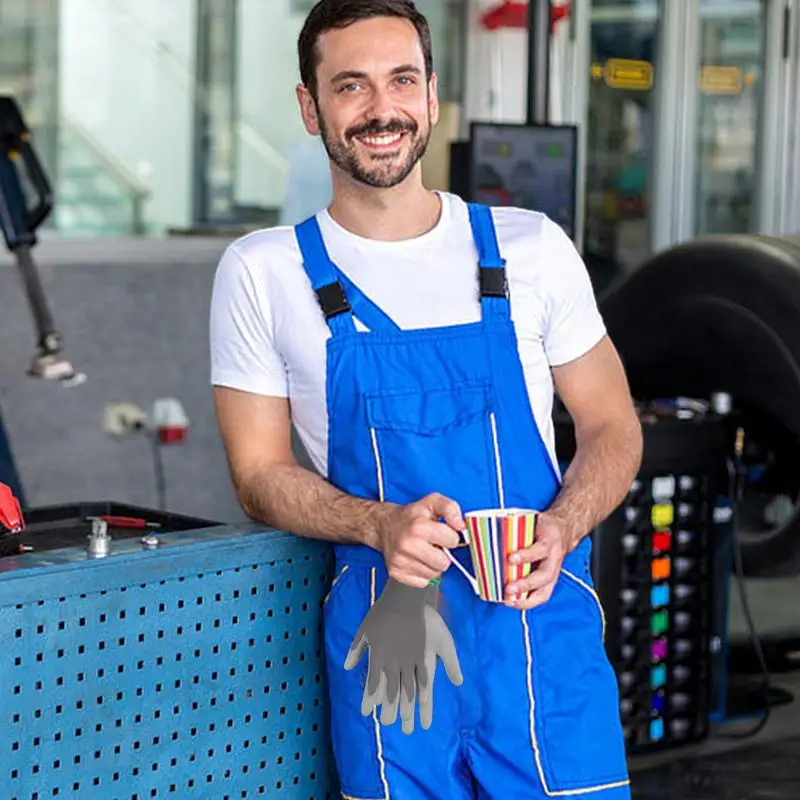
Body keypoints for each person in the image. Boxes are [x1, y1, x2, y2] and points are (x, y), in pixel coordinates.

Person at [209, 1, 643, 798]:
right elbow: (258, 474)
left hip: (541, 638)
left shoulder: (532, 249)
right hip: (391, 642)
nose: (381, 110)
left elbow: (613, 425)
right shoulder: (262, 272)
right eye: (351, 86)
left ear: (433, 97)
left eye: (401, 80)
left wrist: (564, 524)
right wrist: (378, 523)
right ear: (310, 106)